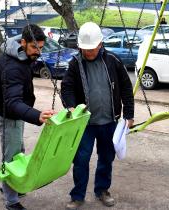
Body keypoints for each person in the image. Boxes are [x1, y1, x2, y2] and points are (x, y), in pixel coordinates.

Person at [61, 22, 134, 210]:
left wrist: (129, 115)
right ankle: (77, 195)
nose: (89, 53)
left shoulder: (113, 60)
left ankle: (102, 190)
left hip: (109, 121)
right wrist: (70, 106)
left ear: (100, 44)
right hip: (85, 123)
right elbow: (67, 87)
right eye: (85, 50)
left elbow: (126, 88)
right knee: (81, 159)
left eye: (92, 49)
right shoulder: (75, 64)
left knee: (106, 158)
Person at [0, 24, 55, 210]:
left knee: (18, 151)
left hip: (16, 112)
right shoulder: (12, 66)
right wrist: (37, 115)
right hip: (8, 116)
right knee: (11, 158)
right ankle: (11, 201)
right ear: (22, 42)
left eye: (41, 48)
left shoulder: (23, 55)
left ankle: (11, 187)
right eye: (35, 47)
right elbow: (12, 102)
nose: (38, 52)